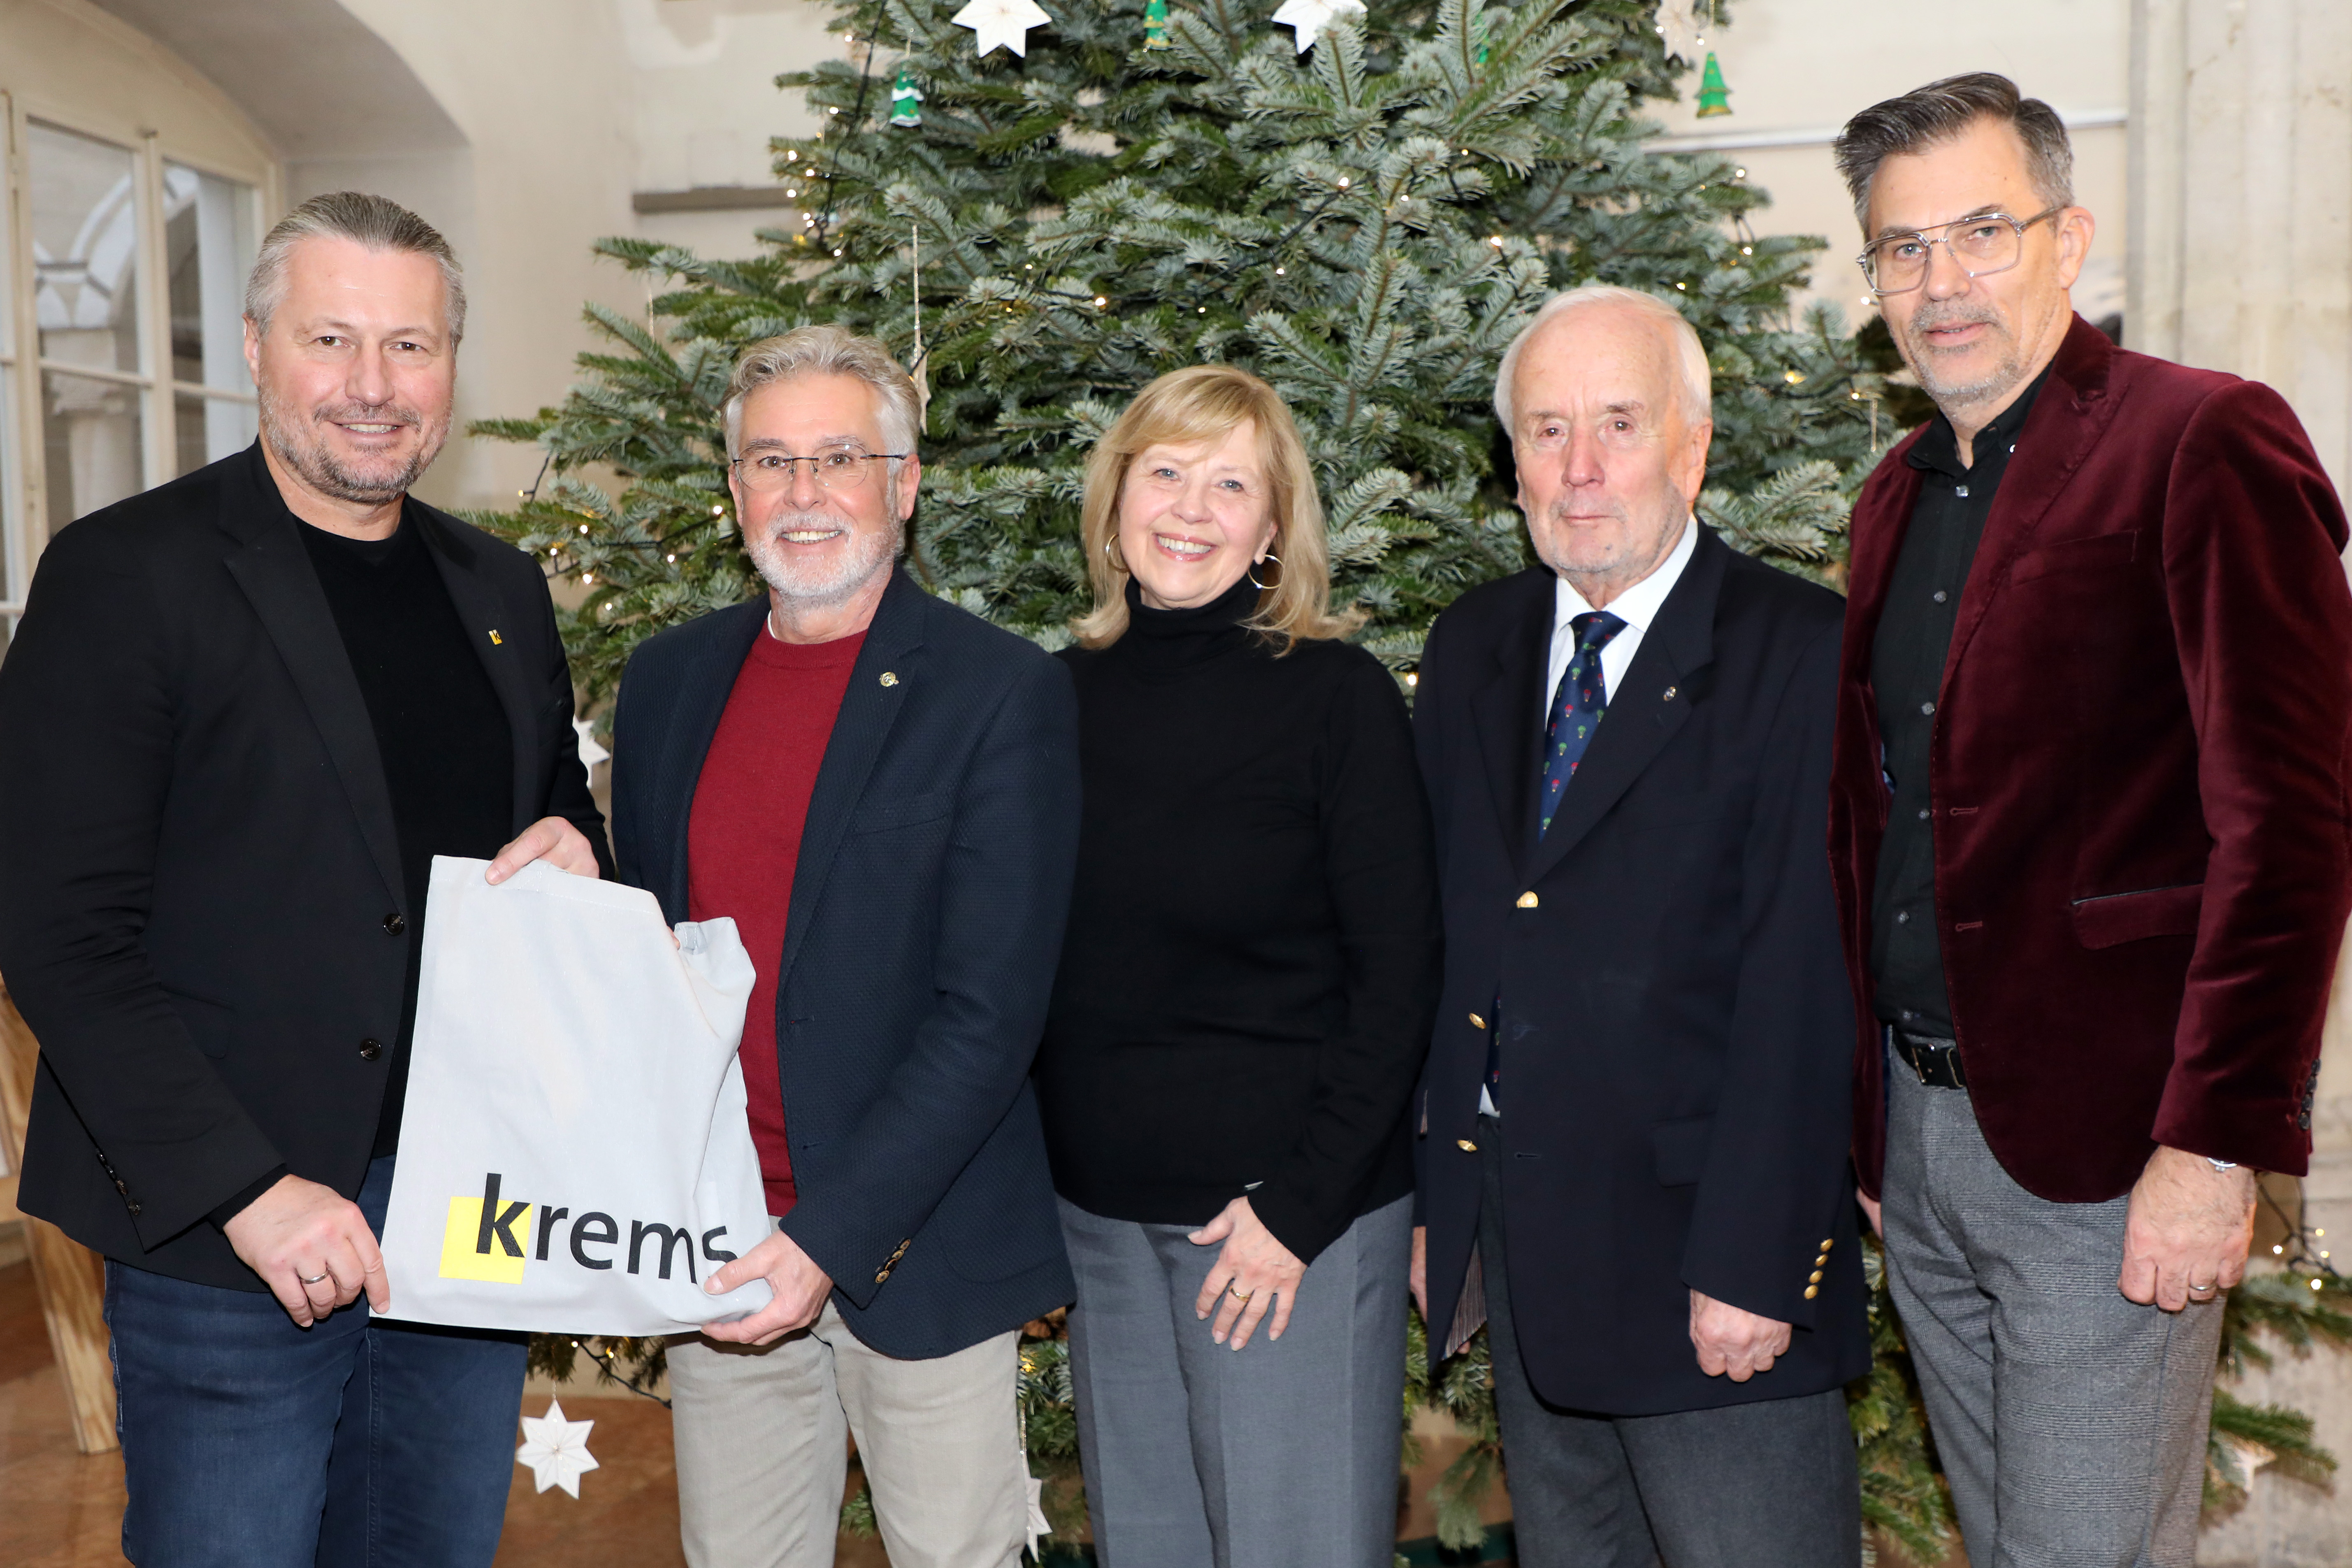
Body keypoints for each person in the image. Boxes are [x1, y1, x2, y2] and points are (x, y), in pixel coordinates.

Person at [0, 193, 609, 1566]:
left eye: (411, 345)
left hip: (463, 1218)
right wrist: (249, 1188)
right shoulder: (125, 574)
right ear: (258, 348)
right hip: (233, 1233)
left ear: (454, 362)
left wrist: (586, 850)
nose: (373, 386)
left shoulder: (500, 585)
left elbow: (554, 821)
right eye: (333, 338)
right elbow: (56, 930)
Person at [1825, 74, 2352, 1566]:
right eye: (1903, 248)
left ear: (2072, 236)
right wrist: (1873, 1126)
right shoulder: (1892, 501)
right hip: (1923, 1140)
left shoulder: (2204, 443)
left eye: (1983, 230)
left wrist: (2211, 1144)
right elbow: (1877, 828)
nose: (1943, 281)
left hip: (2112, 1152)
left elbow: (2293, 827)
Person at [1410, 283, 1869, 1567]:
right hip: (1527, 1261)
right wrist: (1440, 1198)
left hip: (1713, 1270)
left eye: (1619, 422)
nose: (1582, 467)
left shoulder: (1798, 650)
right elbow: (1445, 943)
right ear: (1513, 468)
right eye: (1547, 432)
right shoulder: (1474, 649)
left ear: (1694, 444)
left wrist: (1757, 1258)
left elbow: (1805, 980)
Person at [606, 326, 1080, 1568]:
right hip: (719, 1250)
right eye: (770, 461)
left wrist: (832, 1233)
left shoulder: (997, 693)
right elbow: (658, 955)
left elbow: (991, 1014)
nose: (803, 493)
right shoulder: (665, 683)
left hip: (918, 1248)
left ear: (905, 484)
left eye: (838, 458)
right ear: (734, 492)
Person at [1031, 365, 1441, 1568]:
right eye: (1165, 471)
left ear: (1274, 525)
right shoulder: (1052, 698)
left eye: (1230, 483)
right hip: (1102, 1228)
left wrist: (1298, 1211)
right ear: (1115, 502)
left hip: (1277, 1231)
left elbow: (1401, 973)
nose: (1191, 508)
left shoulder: (1337, 698)